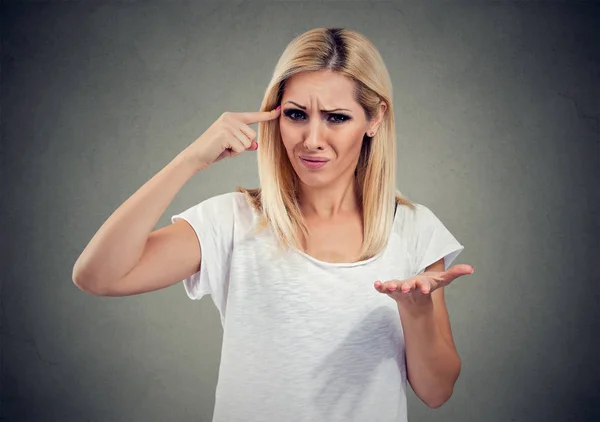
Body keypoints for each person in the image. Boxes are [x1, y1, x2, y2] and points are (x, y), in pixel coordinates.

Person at [72, 27, 474, 422]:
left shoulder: (414, 229)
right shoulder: (232, 220)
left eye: (336, 117)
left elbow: (437, 392)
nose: (312, 139)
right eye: (297, 115)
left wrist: (416, 312)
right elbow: (98, 276)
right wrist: (190, 160)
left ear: (375, 119)